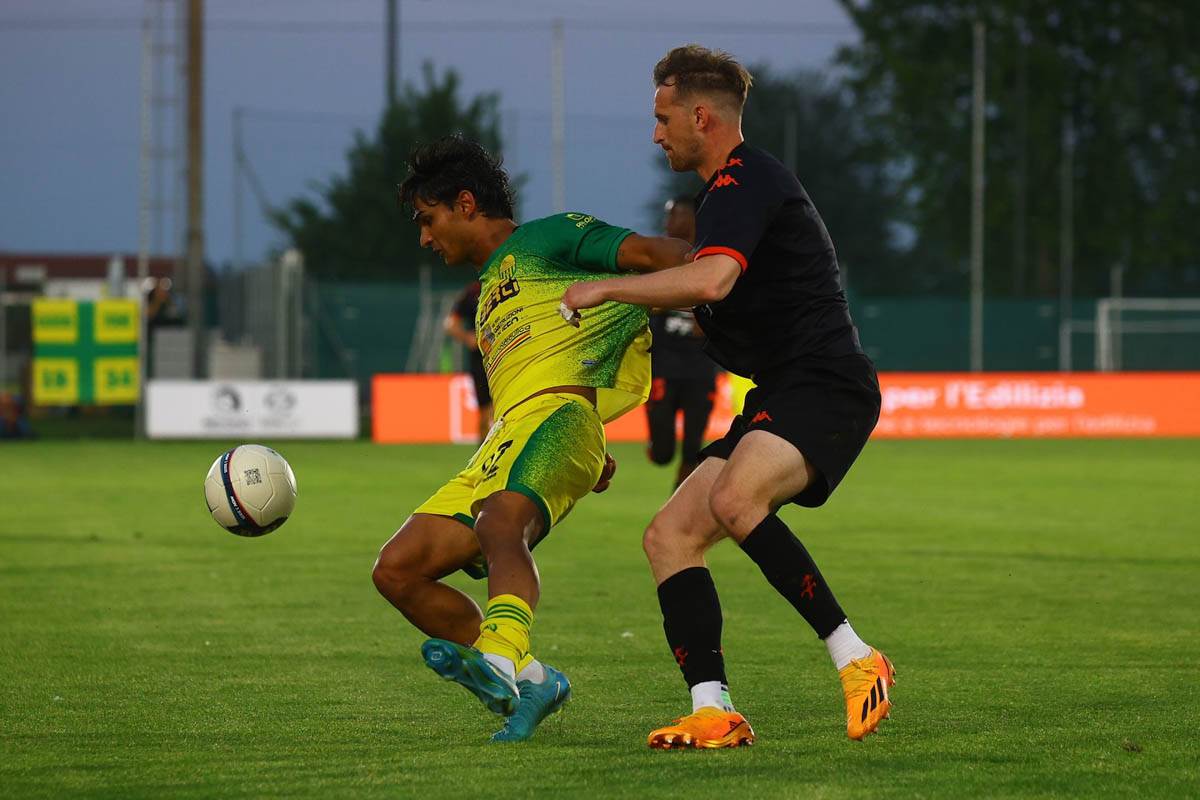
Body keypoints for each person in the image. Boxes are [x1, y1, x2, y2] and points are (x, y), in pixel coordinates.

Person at [561, 45, 892, 748]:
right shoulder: (721, 200)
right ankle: (713, 709)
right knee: (669, 536)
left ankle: (857, 657)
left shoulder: (746, 178)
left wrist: (607, 287)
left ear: (701, 117)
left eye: (663, 118)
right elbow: (709, 293)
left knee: (737, 499)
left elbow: (711, 281)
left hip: (826, 383)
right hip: (783, 390)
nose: (656, 134)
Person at [372, 135, 691, 742]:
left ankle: (497, 657)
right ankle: (533, 677)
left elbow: (661, 253)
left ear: (466, 204)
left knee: (500, 523)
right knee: (397, 569)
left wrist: (723, 266)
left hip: (559, 418)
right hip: (508, 438)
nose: (424, 238)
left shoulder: (549, 237)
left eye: (427, 219)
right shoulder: (485, 297)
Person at [645, 195, 718, 489]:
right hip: (664, 364)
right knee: (662, 453)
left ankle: (678, 504)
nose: (668, 222)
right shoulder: (657, 257)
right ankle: (657, 445)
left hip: (701, 366)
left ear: (690, 217)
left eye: (673, 214)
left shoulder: (713, 256)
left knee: (692, 449)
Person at [444, 280, 493, 441]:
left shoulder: (507, 285)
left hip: (507, 356)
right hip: (480, 361)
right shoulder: (472, 293)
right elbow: (450, 324)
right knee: (484, 412)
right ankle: (484, 450)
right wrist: (467, 337)